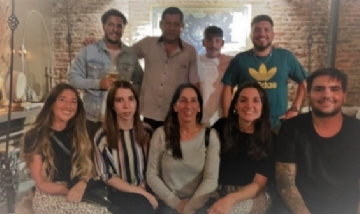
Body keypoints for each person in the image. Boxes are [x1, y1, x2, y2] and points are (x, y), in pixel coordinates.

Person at [83, 7, 200, 131]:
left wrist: (195, 113)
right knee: (147, 149)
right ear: (161, 25)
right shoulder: (147, 44)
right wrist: (97, 46)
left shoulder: (190, 52)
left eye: (176, 24)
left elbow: (195, 84)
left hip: (175, 114)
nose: (171, 28)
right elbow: (122, 53)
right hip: (148, 115)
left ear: (182, 26)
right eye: (168, 23)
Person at [275, 68, 360, 214]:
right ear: (308, 95)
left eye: (334, 89)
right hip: (301, 207)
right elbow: (286, 183)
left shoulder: (357, 130)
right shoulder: (291, 128)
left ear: (344, 96)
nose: (327, 95)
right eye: (319, 89)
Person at [19, 83, 110, 214]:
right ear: (52, 104)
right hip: (50, 195)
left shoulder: (79, 133)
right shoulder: (34, 135)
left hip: (79, 189)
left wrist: (82, 184)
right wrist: (71, 189)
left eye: (73, 102)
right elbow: (42, 184)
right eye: (62, 100)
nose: (68, 106)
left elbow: (88, 168)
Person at [68, 9, 143, 141]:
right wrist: (98, 83)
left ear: (123, 28)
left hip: (119, 119)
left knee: (117, 159)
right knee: (91, 158)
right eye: (111, 24)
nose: (115, 29)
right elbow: (73, 78)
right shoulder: (89, 50)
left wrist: (130, 101)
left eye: (119, 26)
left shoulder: (130, 54)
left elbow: (139, 81)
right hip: (93, 118)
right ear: (104, 26)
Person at [221, 15, 308, 128]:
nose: (262, 34)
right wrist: (228, 118)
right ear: (251, 35)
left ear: (273, 34)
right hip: (247, 125)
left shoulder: (285, 57)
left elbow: (303, 82)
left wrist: (295, 109)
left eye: (266, 30)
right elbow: (228, 87)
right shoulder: (240, 59)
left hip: (277, 125)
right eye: (257, 30)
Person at [146, 83, 220, 214]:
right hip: (169, 203)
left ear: (198, 107)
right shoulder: (161, 134)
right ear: (175, 107)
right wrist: (177, 203)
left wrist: (190, 208)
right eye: (183, 101)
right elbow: (152, 175)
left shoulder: (210, 136)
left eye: (193, 101)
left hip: (200, 202)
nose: (188, 106)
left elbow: (211, 179)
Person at [210, 81, 275, 214]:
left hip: (253, 194)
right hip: (219, 190)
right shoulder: (221, 127)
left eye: (256, 101)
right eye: (243, 100)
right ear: (235, 105)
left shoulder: (270, 139)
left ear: (263, 107)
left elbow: (258, 184)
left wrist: (231, 199)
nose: (249, 105)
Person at [93, 80, 157, 213]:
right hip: (117, 194)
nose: (126, 106)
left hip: (145, 187)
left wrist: (143, 188)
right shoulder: (102, 136)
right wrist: (138, 191)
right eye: (119, 100)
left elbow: (153, 165)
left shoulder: (147, 131)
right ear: (112, 105)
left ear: (136, 103)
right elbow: (106, 175)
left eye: (131, 99)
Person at [198, 26, 232, 126]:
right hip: (199, 117)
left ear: (222, 43)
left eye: (217, 41)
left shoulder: (231, 62)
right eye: (209, 40)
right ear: (203, 42)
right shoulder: (196, 62)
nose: (213, 45)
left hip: (222, 117)